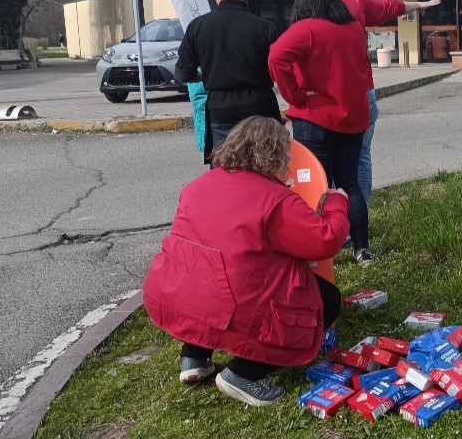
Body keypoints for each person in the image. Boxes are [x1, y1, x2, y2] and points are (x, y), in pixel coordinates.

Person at [142, 116, 349, 407]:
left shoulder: (198, 185)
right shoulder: (276, 200)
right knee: (326, 298)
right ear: (278, 154)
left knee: (207, 279)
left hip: (174, 294)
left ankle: (194, 357)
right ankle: (243, 374)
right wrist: (336, 203)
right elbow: (324, 241)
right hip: (227, 302)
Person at [297, 0, 442, 253]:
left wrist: (296, 94)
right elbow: (390, 6)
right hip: (361, 97)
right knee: (357, 163)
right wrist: (421, 5)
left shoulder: (304, 8)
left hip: (321, 102)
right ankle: (356, 231)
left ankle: (325, 231)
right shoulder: (353, 1)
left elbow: (285, 54)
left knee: (321, 168)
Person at [268, 0, 374, 266]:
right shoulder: (353, 27)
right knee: (350, 183)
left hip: (315, 120)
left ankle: (316, 250)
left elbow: (276, 57)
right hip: (352, 118)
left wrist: (296, 96)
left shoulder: (306, 30)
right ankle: (362, 248)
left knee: (315, 185)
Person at [175, 0, 281, 162]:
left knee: (225, 174)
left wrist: (207, 73)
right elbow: (278, 68)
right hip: (261, 109)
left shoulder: (198, 27)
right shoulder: (266, 28)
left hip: (221, 112)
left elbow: (183, 73)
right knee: (265, 172)